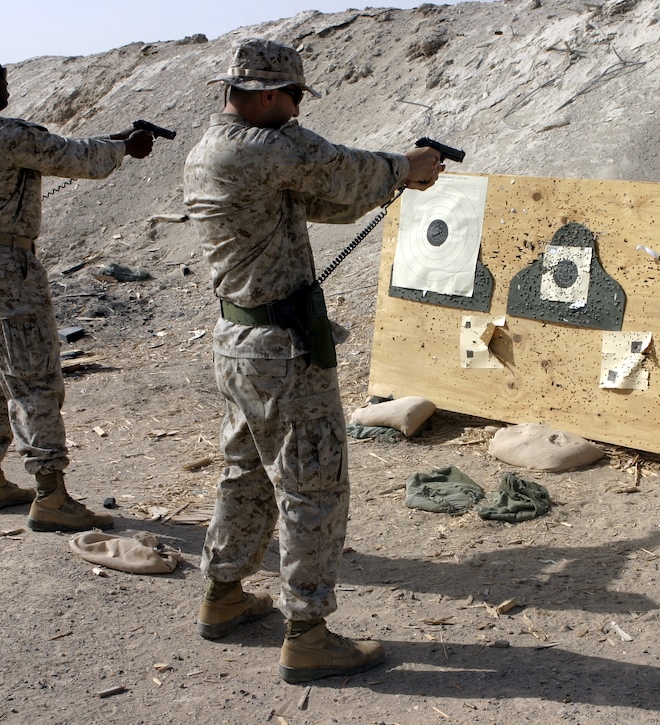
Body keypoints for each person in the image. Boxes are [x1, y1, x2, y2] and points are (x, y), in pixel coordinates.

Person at [182, 38, 444, 684]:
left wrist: (387, 183)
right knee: (313, 483)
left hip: (239, 344)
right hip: (280, 350)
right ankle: (308, 631)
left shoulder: (210, 150)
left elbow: (320, 197)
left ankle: (223, 592)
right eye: (293, 97)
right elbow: (336, 169)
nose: (297, 110)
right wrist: (405, 169)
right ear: (267, 94)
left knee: (246, 471)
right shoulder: (266, 148)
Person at [0, 46, 155, 532]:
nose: (6, 79)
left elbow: (55, 147)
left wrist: (114, 140)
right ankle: (51, 494)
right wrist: (125, 148)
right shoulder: (1, 132)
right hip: (6, 264)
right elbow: (74, 157)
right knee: (33, 377)